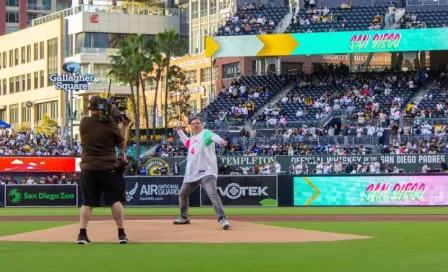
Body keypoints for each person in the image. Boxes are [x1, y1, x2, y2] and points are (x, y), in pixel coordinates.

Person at [77, 96, 131, 245]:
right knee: (115, 200)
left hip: (88, 167)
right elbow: (122, 145)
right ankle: (121, 234)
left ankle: (82, 234)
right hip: (108, 167)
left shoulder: (83, 122)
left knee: (87, 202)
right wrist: (124, 126)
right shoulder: (110, 124)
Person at [173, 117, 231, 230]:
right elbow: (186, 141)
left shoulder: (205, 133)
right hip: (192, 174)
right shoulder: (193, 138)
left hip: (207, 172)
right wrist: (179, 130)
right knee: (182, 194)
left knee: (212, 194)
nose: (195, 125)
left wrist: (221, 141)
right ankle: (184, 217)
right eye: (193, 124)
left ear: (202, 124)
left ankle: (222, 219)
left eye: (197, 123)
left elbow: (214, 137)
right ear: (191, 126)